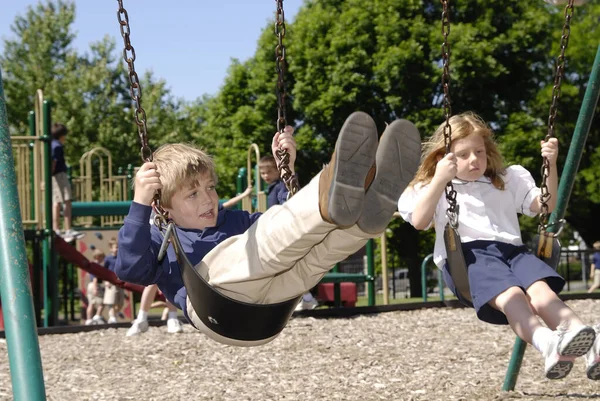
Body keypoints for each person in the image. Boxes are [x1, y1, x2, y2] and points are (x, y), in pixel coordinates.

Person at [114, 112, 421, 346]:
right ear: (162, 206)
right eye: (192, 194)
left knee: (310, 256)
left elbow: (285, 225)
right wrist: (140, 204)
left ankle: (362, 221)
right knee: (253, 250)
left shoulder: (233, 222)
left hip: (268, 315)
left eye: (210, 187)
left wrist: (287, 168)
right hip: (216, 311)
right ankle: (321, 196)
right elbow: (130, 270)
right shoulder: (162, 240)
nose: (208, 198)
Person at [397, 111, 599, 380]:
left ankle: (587, 341)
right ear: (443, 157)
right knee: (512, 296)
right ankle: (547, 343)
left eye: (479, 152)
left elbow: (546, 205)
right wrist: (439, 179)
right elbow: (421, 221)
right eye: (463, 154)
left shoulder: (506, 178)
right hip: (470, 256)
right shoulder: (430, 187)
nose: (474, 160)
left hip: (514, 252)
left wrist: (550, 163)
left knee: (542, 293)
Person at [258, 154, 319, 311]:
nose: (265, 176)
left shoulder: (280, 186)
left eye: (268, 172)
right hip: (276, 230)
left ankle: (304, 298)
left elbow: (286, 197)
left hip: (282, 231)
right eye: (262, 173)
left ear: (277, 172)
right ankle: (305, 298)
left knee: (286, 266)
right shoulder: (271, 188)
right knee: (284, 267)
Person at [51, 123, 84, 242]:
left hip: (55, 176)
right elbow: (54, 161)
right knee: (65, 200)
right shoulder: (57, 146)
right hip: (59, 175)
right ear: (62, 135)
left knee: (58, 201)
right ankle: (66, 228)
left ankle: (57, 229)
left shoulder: (51, 144)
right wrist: (52, 172)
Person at [103, 238, 126, 324]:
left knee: (120, 303)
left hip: (119, 282)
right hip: (111, 282)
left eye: (118, 247)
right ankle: (112, 317)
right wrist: (106, 281)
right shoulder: (108, 259)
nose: (117, 249)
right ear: (111, 248)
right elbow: (104, 271)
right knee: (111, 301)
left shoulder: (121, 258)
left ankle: (115, 313)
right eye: (115, 247)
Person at [86, 249, 106, 325]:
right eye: (102, 257)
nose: (103, 259)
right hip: (95, 285)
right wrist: (95, 288)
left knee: (91, 303)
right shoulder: (97, 266)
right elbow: (95, 278)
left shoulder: (91, 265)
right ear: (98, 257)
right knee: (102, 302)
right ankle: (97, 316)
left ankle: (88, 319)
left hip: (90, 285)